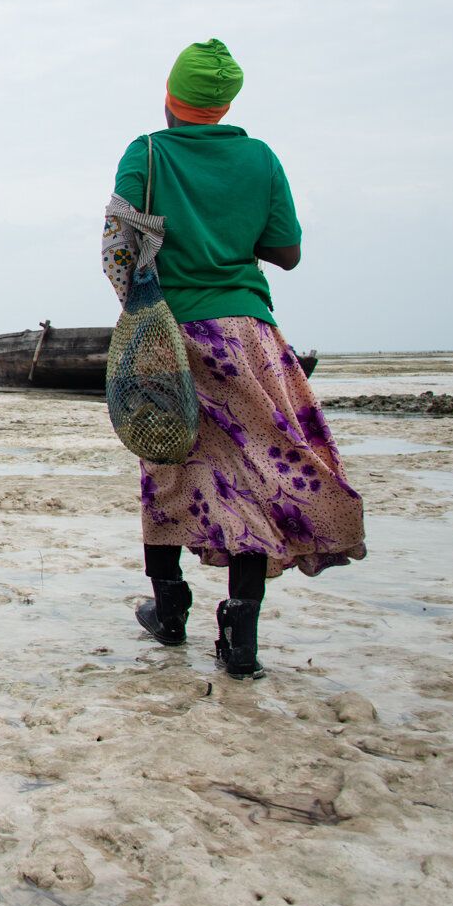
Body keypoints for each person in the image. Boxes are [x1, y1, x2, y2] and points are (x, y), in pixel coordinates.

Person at [109, 41, 366, 679]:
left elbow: (118, 250)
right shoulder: (260, 158)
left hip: (172, 332)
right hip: (248, 336)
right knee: (257, 469)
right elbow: (287, 252)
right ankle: (240, 627)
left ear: (170, 98)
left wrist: (144, 321)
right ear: (225, 106)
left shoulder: (144, 154)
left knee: (166, 462)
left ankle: (169, 609)